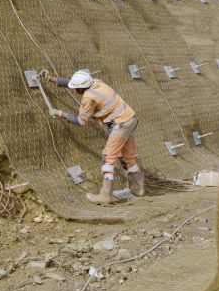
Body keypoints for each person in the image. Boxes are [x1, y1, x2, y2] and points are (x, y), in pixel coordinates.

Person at [45, 69, 145, 205]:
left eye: (76, 89)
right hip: (130, 119)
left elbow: (81, 121)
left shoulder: (88, 98)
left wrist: (61, 113)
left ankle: (104, 196)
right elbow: (73, 83)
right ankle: (139, 189)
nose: (75, 91)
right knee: (128, 157)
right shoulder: (97, 82)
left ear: (81, 88)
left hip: (120, 125)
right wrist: (52, 79)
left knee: (108, 159)